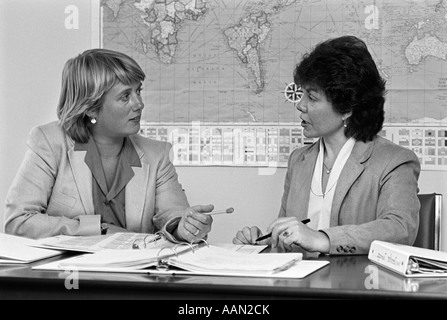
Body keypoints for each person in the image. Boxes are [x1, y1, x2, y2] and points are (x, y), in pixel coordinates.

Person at [233, 35, 421, 255]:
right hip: (300, 286)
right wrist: (266, 241)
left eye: (312, 98)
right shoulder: (299, 160)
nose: (300, 105)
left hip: (356, 285)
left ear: (347, 108)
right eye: (301, 94)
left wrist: (322, 239)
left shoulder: (393, 161)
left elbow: (400, 229)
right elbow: (290, 239)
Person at [4, 48, 214, 242]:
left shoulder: (156, 154)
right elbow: (18, 221)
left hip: (131, 277)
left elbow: (173, 215)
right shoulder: (49, 142)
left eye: (138, 91)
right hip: (66, 274)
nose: (139, 104)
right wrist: (98, 228)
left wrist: (184, 227)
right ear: (91, 109)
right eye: (125, 96)